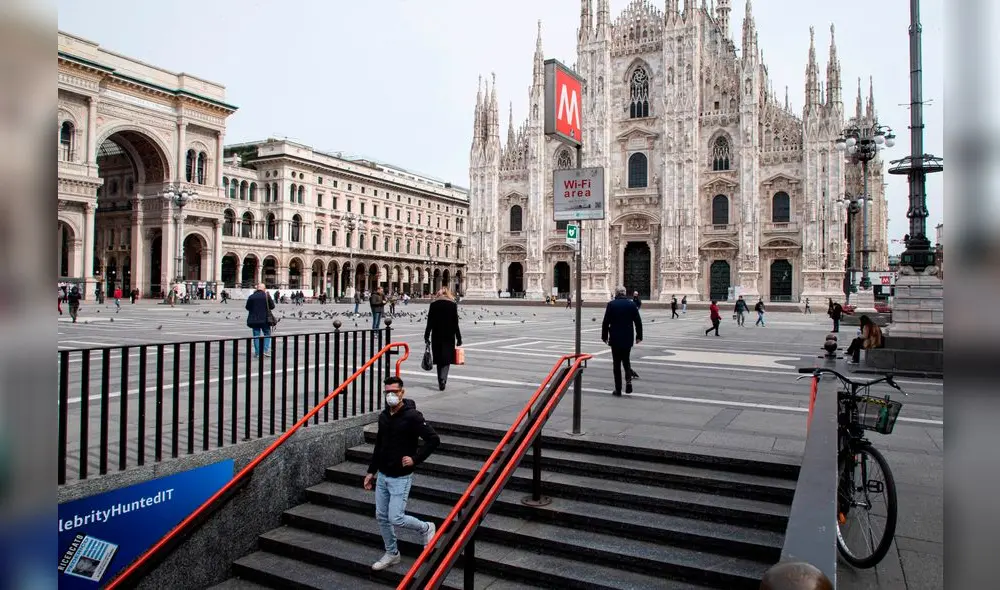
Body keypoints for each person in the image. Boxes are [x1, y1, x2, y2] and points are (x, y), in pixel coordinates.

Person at [365, 376, 440, 571]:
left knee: (396, 518)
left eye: (394, 392)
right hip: (383, 475)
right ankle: (392, 553)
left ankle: (426, 528)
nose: (390, 395)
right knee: (381, 516)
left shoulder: (413, 416)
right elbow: (379, 445)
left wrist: (415, 459)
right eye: (387, 392)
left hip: (401, 477)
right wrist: (371, 471)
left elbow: (433, 439)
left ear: (402, 392)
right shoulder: (384, 416)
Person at [601, 287, 643, 397]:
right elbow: (638, 322)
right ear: (625, 293)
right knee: (626, 361)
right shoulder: (631, 304)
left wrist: (604, 336)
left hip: (615, 338)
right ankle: (628, 382)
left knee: (616, 364)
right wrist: (639, 336)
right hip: (627, 338)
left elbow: (606, 322)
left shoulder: (611, 304)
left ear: (616, 293)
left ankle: (618, 389)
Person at [424, 287, 462, 391]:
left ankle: (440, 379)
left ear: (438, 294)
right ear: (448, 294)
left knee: (439, 359)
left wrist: (426, 335)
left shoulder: (433, 305)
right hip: (449, 336)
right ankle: (443, 379)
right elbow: (455, 323)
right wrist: (459, 338)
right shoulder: (452, 305)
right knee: (446, 359)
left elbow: (429, 322)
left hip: (436, 335)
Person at [245, 283, 275, 358]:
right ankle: (265, 350)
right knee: (267, 334)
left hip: (254, 320)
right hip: (265, 320)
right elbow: (272, 306)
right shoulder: (266, 296)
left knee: (256, 336)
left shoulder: (251, 296)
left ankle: (258, 353)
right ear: (264, 289)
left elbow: (247, 307)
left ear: (257, 288)